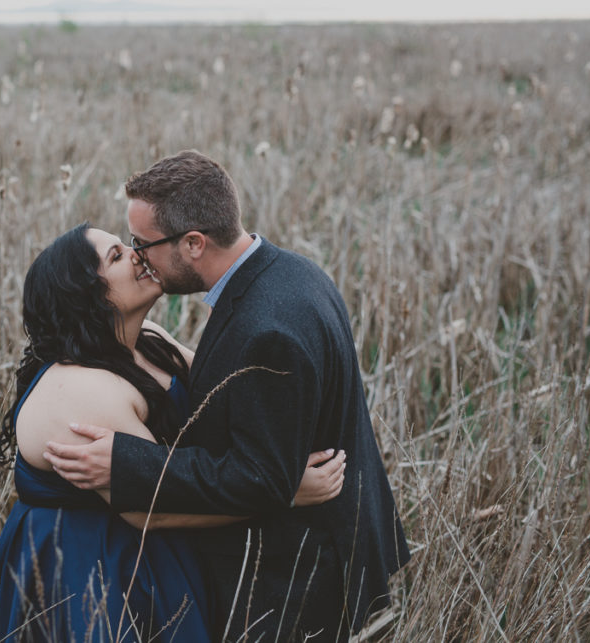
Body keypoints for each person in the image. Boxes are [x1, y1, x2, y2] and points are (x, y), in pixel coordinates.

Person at [44, 151, 411, 641]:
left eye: (143, 244)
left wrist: (125, 463)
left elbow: (260, 475)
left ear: (193, 243)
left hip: (300, 580)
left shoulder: (268, 330)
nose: (138, 257)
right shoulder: (290, 273)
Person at [0, 224, 346, 642]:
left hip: (146, 548)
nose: (136, 254)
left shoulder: (148, 340)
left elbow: (222, 397)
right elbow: (153, 505)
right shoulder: (82, 392)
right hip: (89, 573)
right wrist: (282, 492)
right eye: (116, 256)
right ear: (87, 295)